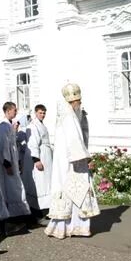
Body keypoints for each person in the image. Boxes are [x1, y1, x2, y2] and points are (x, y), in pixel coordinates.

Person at [45, 83, 100, 239]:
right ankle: (77, 226)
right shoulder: (70, 117)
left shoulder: (65, 116)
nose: (80, 103)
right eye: (79, 101)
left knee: (70, 191)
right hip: (74, 163)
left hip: (65, 163)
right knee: (79, 190)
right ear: (73, 101)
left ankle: (67, 226)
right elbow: (74, 141)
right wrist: (87, 158)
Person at [0, 102, 32, 229]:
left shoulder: (9, 125)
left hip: (13, 161)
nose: (16, 112)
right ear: (8, 111)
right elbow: (3, 146)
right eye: (14, 110)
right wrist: (7, 164)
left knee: (16, 188)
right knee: (12, 189)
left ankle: (18, 216)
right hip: (8, 164)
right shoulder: (3, 126)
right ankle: (12, 218)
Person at [27, 104, 53, 216]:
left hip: (46, 155)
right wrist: (36, 159)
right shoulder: (33, 126)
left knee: (46, 182)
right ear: (36, 113)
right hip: (40, 156)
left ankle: (47, 207)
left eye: (44, 113)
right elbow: (33, 143)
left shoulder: (42, 125)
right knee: (41, 183)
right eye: (40, 113)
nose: (42, 115)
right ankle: (39, 210)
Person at [15, 111, 40, 217]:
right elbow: (23, 145)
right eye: (27, 118)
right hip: (23, 158)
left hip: (28, 158)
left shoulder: (28, 129)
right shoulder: (21, 132)